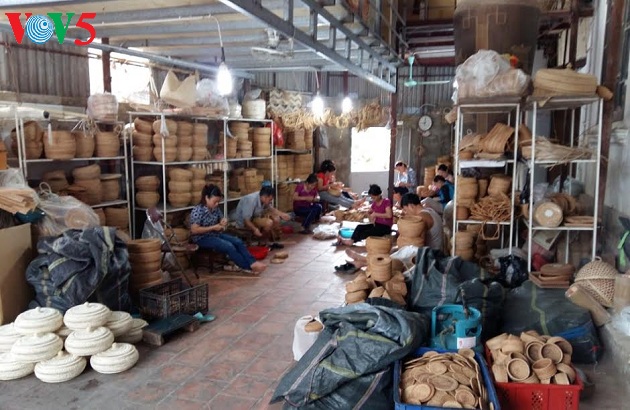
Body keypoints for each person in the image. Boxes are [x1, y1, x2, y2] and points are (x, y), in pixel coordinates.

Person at [336, 193, 443, 273]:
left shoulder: (421, 218)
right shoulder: (428, 210)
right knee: (393, 250)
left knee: (398, 254)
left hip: (430, 255)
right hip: (428, 250)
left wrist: (401, 244)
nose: (405, 213)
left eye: (405, 210)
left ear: (411, 206)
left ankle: (362, 261)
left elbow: (418, 243)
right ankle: (361, 261)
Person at [190, 184, 266, 274]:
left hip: (215, 234)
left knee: (238, 241)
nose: (217, 204)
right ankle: (248, 267)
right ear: (206, 198)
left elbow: (221, 218)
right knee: (229, 246)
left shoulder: (215, 208)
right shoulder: (198, 210)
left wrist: (223, 221)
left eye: (218, 202)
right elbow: (194, 230)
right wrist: (213, 227)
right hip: (202, 238)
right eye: (215, 202)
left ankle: (252, 262)